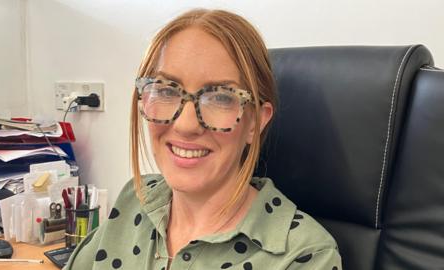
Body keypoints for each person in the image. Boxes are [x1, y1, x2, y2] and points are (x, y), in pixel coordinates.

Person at [64, 8, 342, 270]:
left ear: (255, 121)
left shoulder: (304, 256)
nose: (186, 125)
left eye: (220, 97)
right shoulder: (135, 198)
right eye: (166, 90)